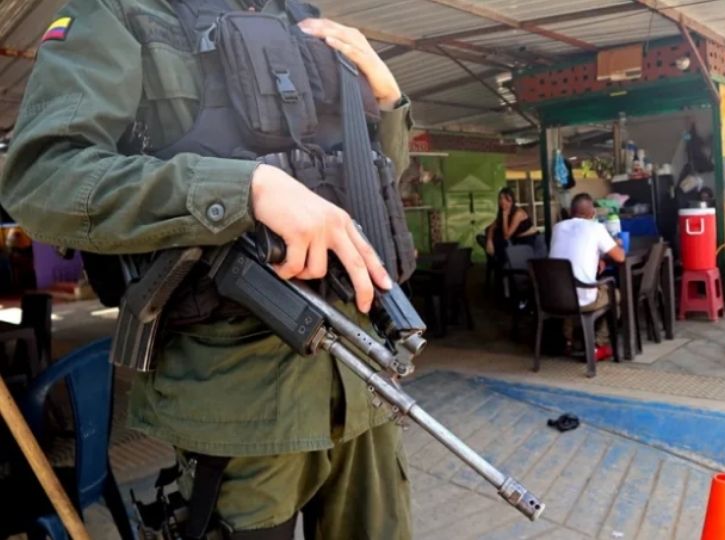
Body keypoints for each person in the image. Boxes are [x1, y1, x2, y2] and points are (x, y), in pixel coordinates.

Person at [0, 1, 415, 538]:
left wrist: (390, 102)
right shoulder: (120, 13)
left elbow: (370, 187)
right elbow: (42, 181)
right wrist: (244, 190)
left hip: (365, 386)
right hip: (241, 406)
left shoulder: (302, 17)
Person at [549, 193, 625, 353]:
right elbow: (620, 257)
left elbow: (572, 252)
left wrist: (598, 258)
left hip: (553, 297)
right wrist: (617, 243)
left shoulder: (557, 228)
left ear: (571, 211)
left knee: (568, 286)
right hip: (582, 299)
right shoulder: (596, 228)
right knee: (615, 295)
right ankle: (598, 345)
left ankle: (568, 340)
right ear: (592, 212)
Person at [485, 187, 539, 265]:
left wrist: (505, 216)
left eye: (506, 199)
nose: (503, 201)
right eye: (501, 198)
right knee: (495, 233)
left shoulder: (518, 213)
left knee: (500, 238)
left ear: (512, 201)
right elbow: (491, 227)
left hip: (527, 240)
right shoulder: (503, 212)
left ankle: (498, 262)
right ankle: (497, 261)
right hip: (515, 239)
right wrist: (489, 241)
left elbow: (506, 236)